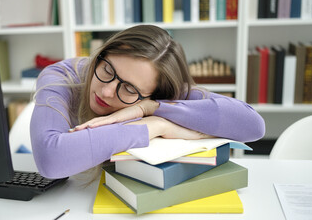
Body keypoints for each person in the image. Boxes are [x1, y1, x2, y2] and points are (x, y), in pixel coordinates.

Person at [30, 25, 265, 179]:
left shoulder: (159, 92)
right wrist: (153, 127)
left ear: (154, 93)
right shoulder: (62, 77)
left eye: (129, 88)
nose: (108, 90)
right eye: (107, 69)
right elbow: (51, 160)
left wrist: (153, 109)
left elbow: (253, 125)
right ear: (101, 54)